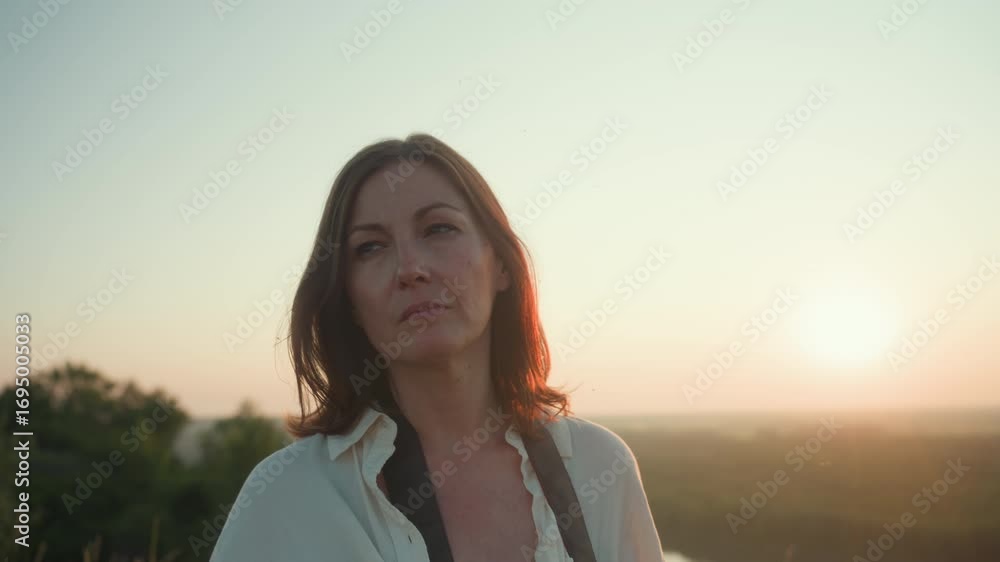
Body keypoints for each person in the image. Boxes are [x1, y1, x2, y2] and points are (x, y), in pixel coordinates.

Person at [209, 133, 663, 562]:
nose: (410, 268)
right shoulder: (288, 497)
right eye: (370, 247)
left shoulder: (598, 467)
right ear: (348, 299)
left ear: (501, 266)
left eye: (438, 229)